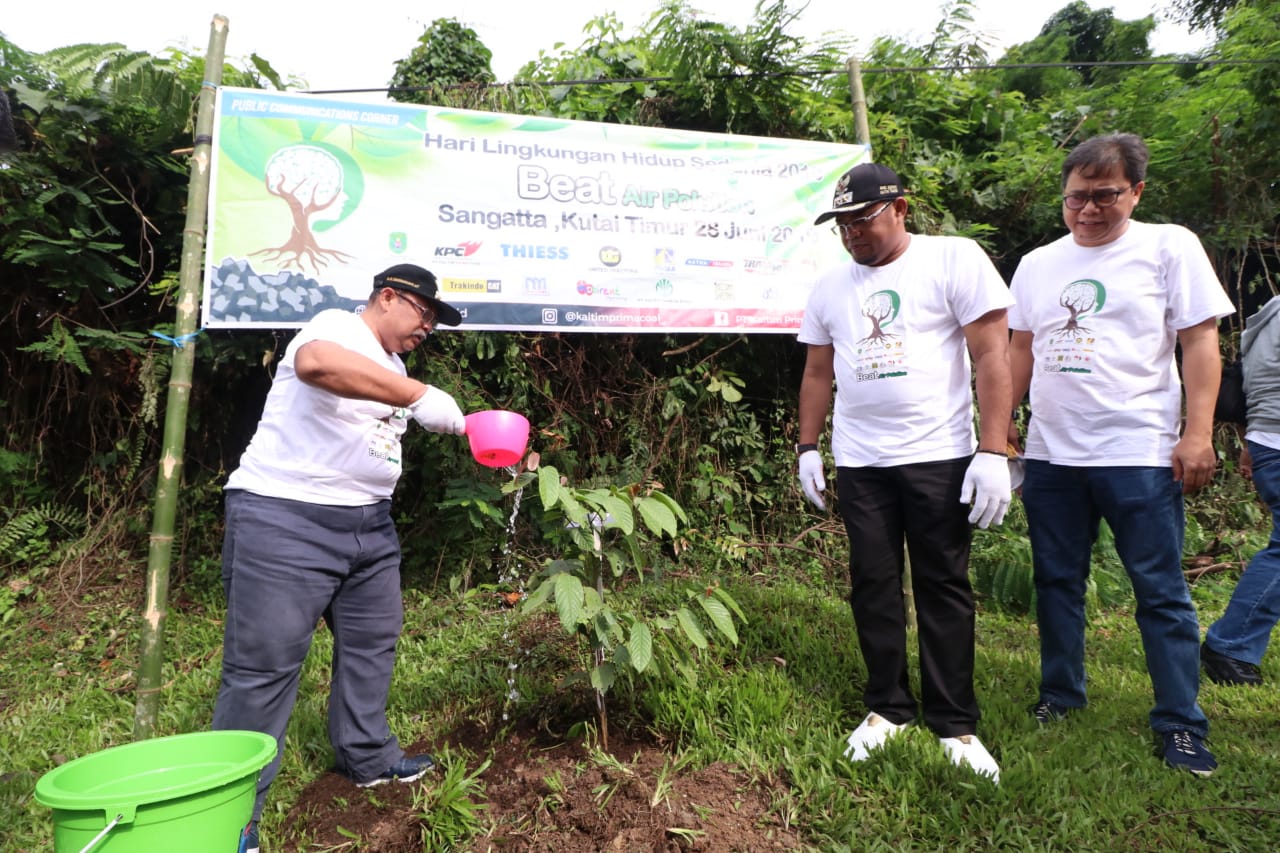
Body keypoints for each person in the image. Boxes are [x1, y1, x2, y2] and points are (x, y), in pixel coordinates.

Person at [213, 264, 468, 853]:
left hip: (368, 526)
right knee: (264, 668)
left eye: (434, 320)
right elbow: (316, 367)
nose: (427, 327)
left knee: (374, 641)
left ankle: (368, 756)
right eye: (423, 313)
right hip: (287, 518)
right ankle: (231, 818)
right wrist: (421, 396)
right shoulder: (336, 329)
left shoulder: (394, 365)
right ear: (386, 297)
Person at [1007, 133, 1233, 776]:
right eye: (1076, 197)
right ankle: (1060, 694)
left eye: (1105, 195)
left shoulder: (1169, 246)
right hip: (1053, 454)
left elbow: (1198, 342)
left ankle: (1181, 723)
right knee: (1056, 582)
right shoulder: (1038, 263)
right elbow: (1019, 349)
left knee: (1159, 591)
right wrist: (1000, 425)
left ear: (1136, 190)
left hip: (1139, 448)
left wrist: (1197, 432)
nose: (1088, 209)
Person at [797, 162, 1013, 783]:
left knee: (943, 583)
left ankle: (955, 721)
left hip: (939, 453)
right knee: (872, 582)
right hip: (862, 461)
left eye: (862, 220)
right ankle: (888, 707)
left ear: (900, 209)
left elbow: (991, 355)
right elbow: (817, 372)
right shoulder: (830, 287)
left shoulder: (953, 260)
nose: (852, 235)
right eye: (841, 225)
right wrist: (808, 446)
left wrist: (993, 451)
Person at [1202, 293, 1280, 685]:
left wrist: (1251, 442)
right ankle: (1230, 645)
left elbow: (1253, 381)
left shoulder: (1269, 313)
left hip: (1268, 439)